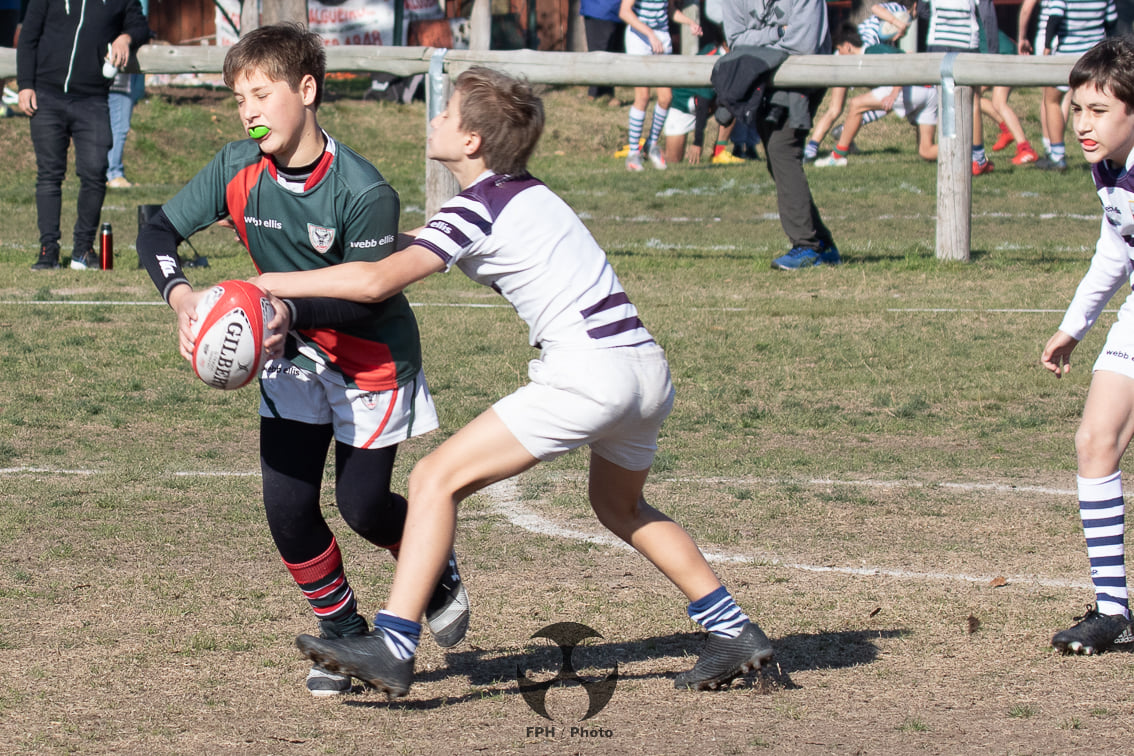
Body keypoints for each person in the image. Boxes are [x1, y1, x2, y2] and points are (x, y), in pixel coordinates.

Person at [253, 66, 773, 699]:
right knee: (620, 507)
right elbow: (397, 246)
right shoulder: (522, 194)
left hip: (589, 375)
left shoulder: (477, 207)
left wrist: (262, 284)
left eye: (445, 113)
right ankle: (733, 629)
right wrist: (311, 241)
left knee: (431, 479)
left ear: (471, 141)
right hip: (644, 369)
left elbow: (374, 282)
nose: (435, 120)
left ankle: (392, 645)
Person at [134, 24, 469, 697]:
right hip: (289, 360)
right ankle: (344, 636)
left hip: (369, 358)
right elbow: (156, 229)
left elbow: (370, 298)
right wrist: (182, 299)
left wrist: (288, 312)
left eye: (262, 93)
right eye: (239, 99)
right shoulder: (237, 168)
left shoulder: (362, 190)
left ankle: (433, 567)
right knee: (287, 509)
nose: (249, 111)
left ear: (307, 90)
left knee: (363, 506)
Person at [1040, 36, 1134, 655]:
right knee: (1095, 440)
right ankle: (1112, 609)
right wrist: (1074, 326)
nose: (1082, 124)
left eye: (1098, 111)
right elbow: (1116, 249)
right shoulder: (1109, 168)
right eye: (1077, 109)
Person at [17, 0, 149, 269]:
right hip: (46, 95)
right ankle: (48, 250)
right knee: (49, 175)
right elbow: (28, 37)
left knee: (95, 172)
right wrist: (25, 85)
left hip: (93, 99)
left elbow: (141, 25)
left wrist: (126, 38)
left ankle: (83, 249)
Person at [722, 0, 839, 270]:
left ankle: (807, 246)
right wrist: (777, 33)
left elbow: (804, 44)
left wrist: (759, 44)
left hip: (802, 74)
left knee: (783, 149)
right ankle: (822, 244)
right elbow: (737, 41)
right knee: (778, 157)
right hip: (758, 76)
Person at [814, 25, 938, 166]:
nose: (839, 54)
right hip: (930, 91)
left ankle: (837, 157)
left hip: (914, 88)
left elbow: (903, 62)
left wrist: (894, 93)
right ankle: (965, 153)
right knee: (926, 151)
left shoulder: (873, 52)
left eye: (839, 50)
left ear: (848, 46)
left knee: (856, 104)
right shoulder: (870, 55)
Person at [1018, 0, 1117, 172]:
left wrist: (1047, 47)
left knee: (1051, 100)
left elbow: (1055, 17)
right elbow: (1112, 20)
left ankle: (1057, 155)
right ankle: (1104, 153)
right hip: (1094, 54)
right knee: (1096, 106)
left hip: (1067, 55)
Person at [917, 0, 998, 176]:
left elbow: (922, 9)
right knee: (973, 101)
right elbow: (987, 14)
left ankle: (950, 154)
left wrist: (941, 22)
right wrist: (993, 52)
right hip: (966, 42)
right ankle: (977, 159)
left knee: (944, 100)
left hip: (937, 41)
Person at [619, 0, 702, 171]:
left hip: (661, 37)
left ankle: (651, 145)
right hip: (639, 37)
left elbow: (670, 10)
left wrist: (690, 23)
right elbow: (624, 12)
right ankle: (633, 153)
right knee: (642, 96)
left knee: (666, 98)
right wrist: (649, 34)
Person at [663, 35, 743, 165]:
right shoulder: (714, 59)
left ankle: (719, 152)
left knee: (734, 99)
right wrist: (697, 142)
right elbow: (702, 103)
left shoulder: (733, 58)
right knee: (673, 160)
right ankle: (647, 148)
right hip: (682, 107)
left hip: (704, 103)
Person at [581, 0, 624, 104]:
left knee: (610, 54)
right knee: (598, 53)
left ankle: (607, 93)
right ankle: (593, 94)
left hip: (613, 11)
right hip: (600, 10)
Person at [106, 71, 144, 188]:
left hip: (118, 81)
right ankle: (113, 173)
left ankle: (109, 172)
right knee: (118, 128)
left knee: (116, 128)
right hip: (119, 82)